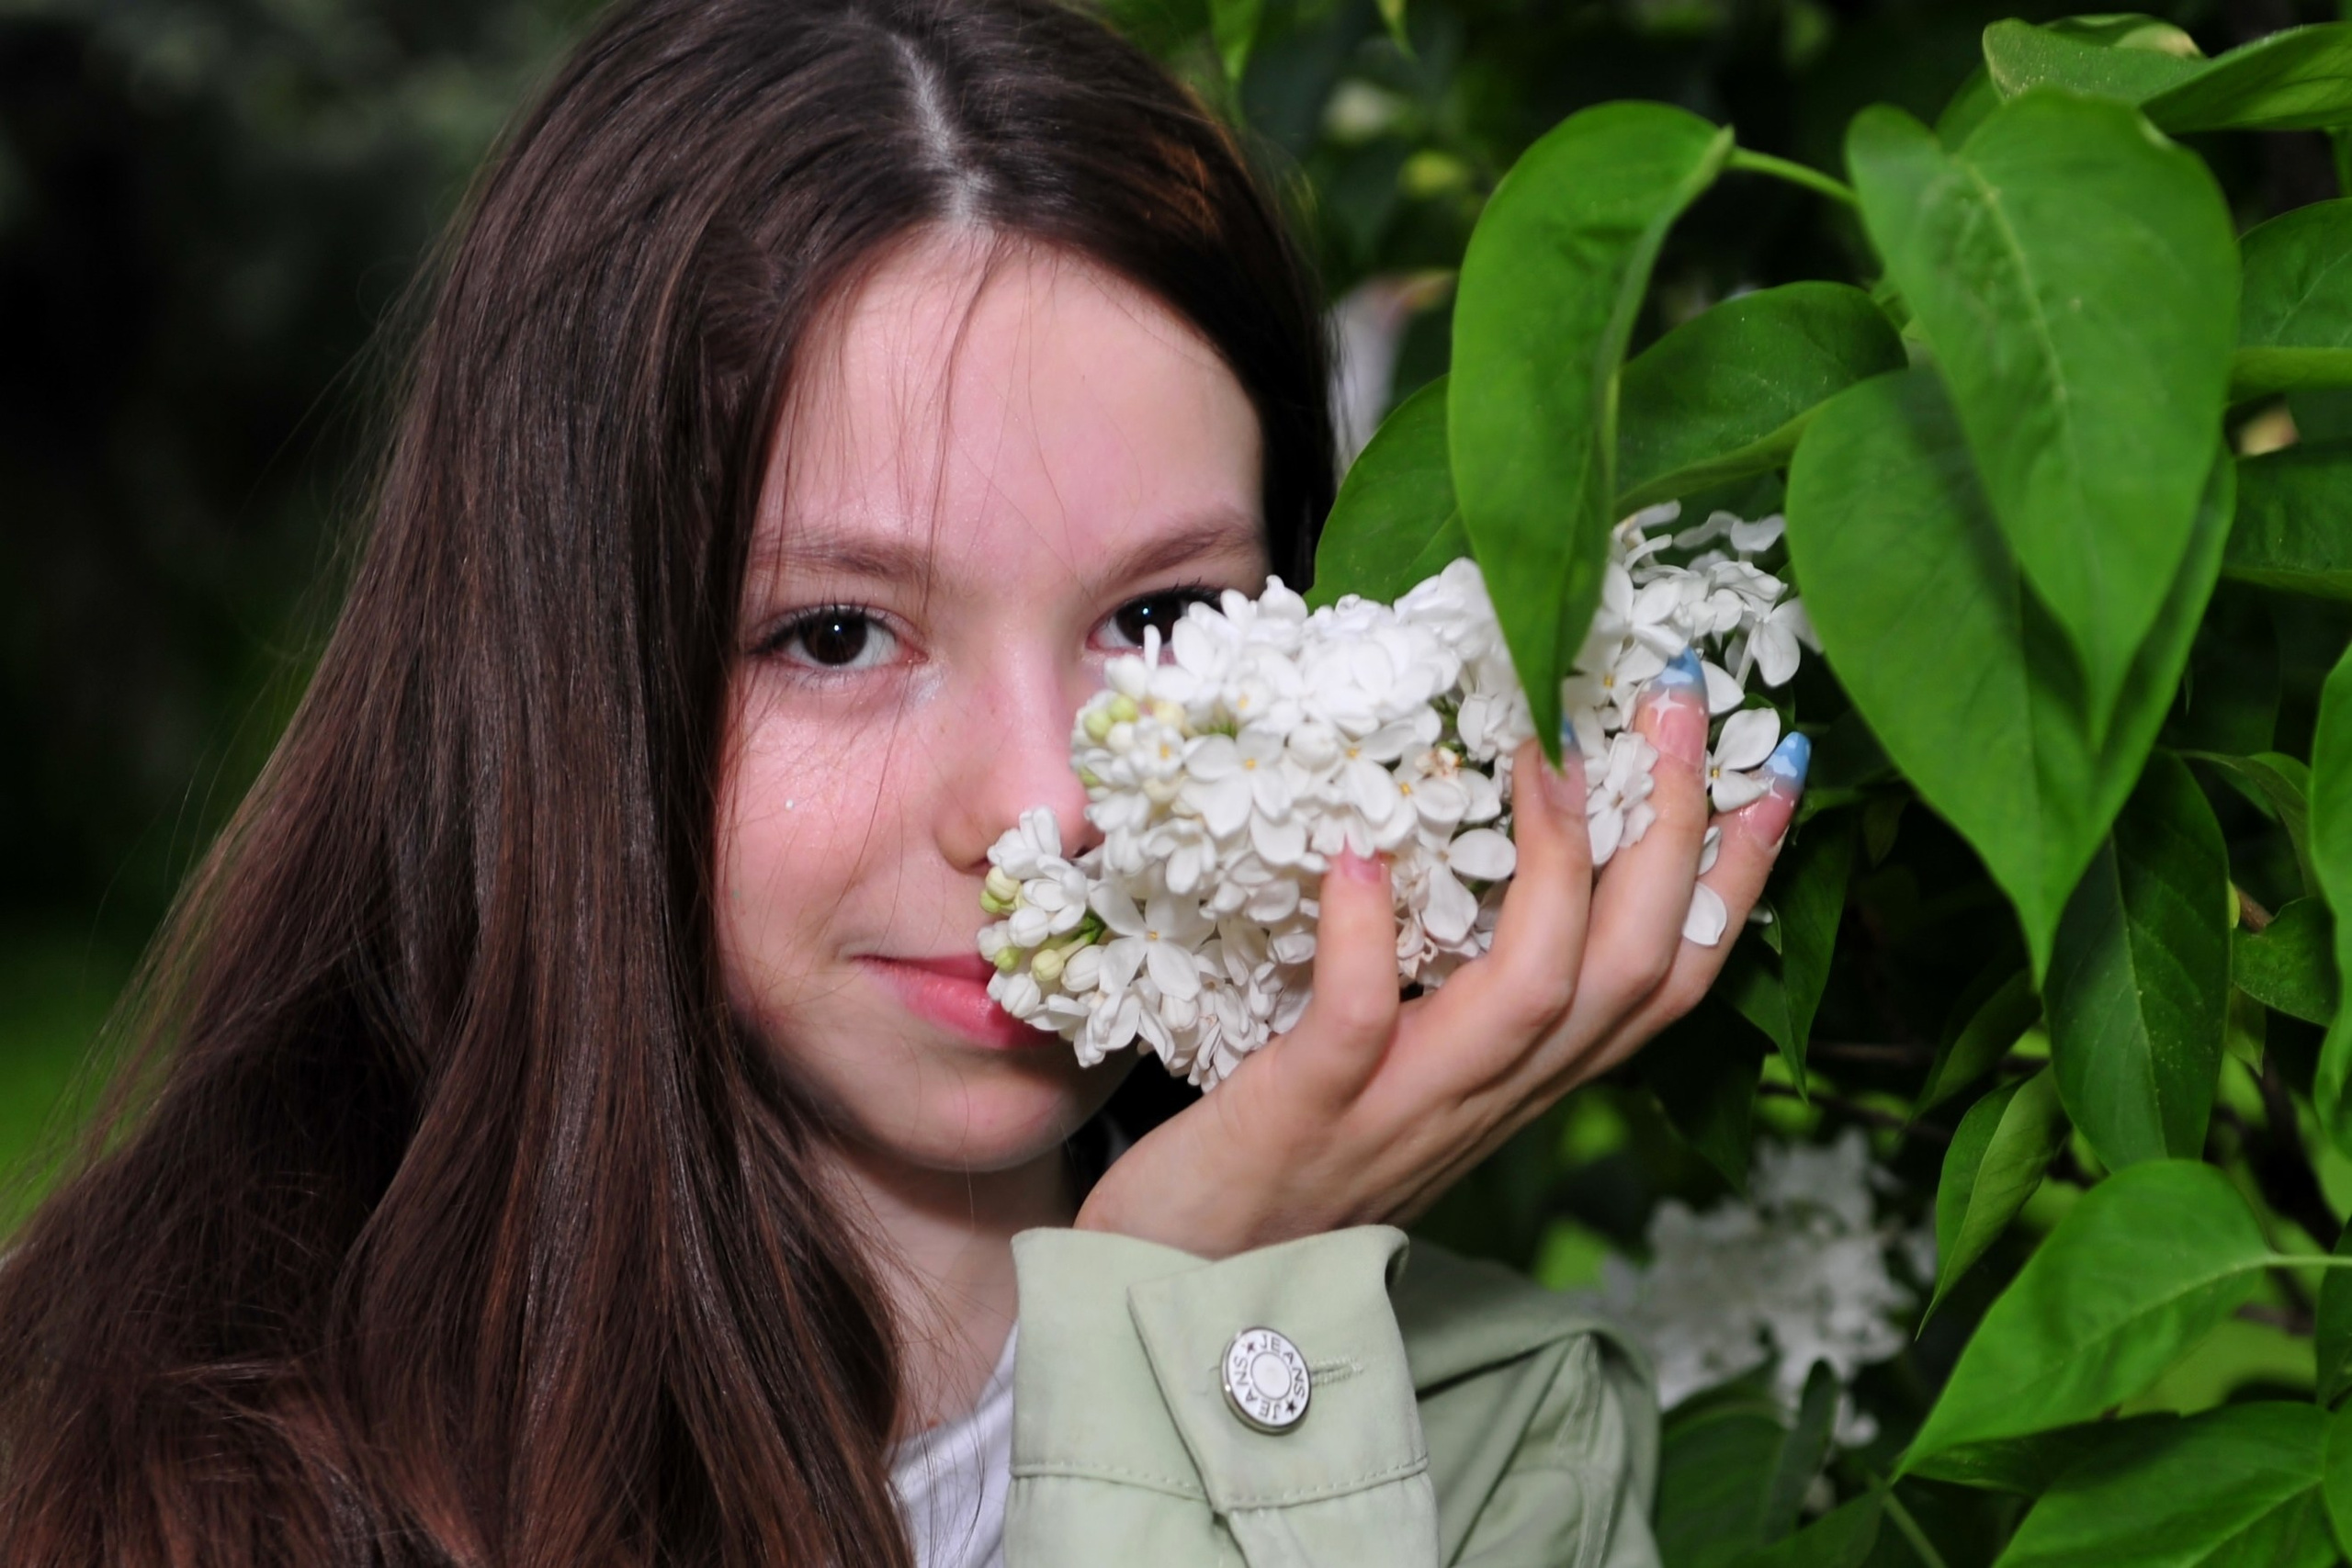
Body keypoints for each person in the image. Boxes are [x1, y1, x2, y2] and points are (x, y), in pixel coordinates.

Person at [0, 1, 1806, 1562]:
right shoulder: (136, 1466)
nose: (1038, 804)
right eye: (839, 635)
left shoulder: (1482, 1441)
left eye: (1158, 615)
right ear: (565, 663)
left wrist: (1195, 1333)